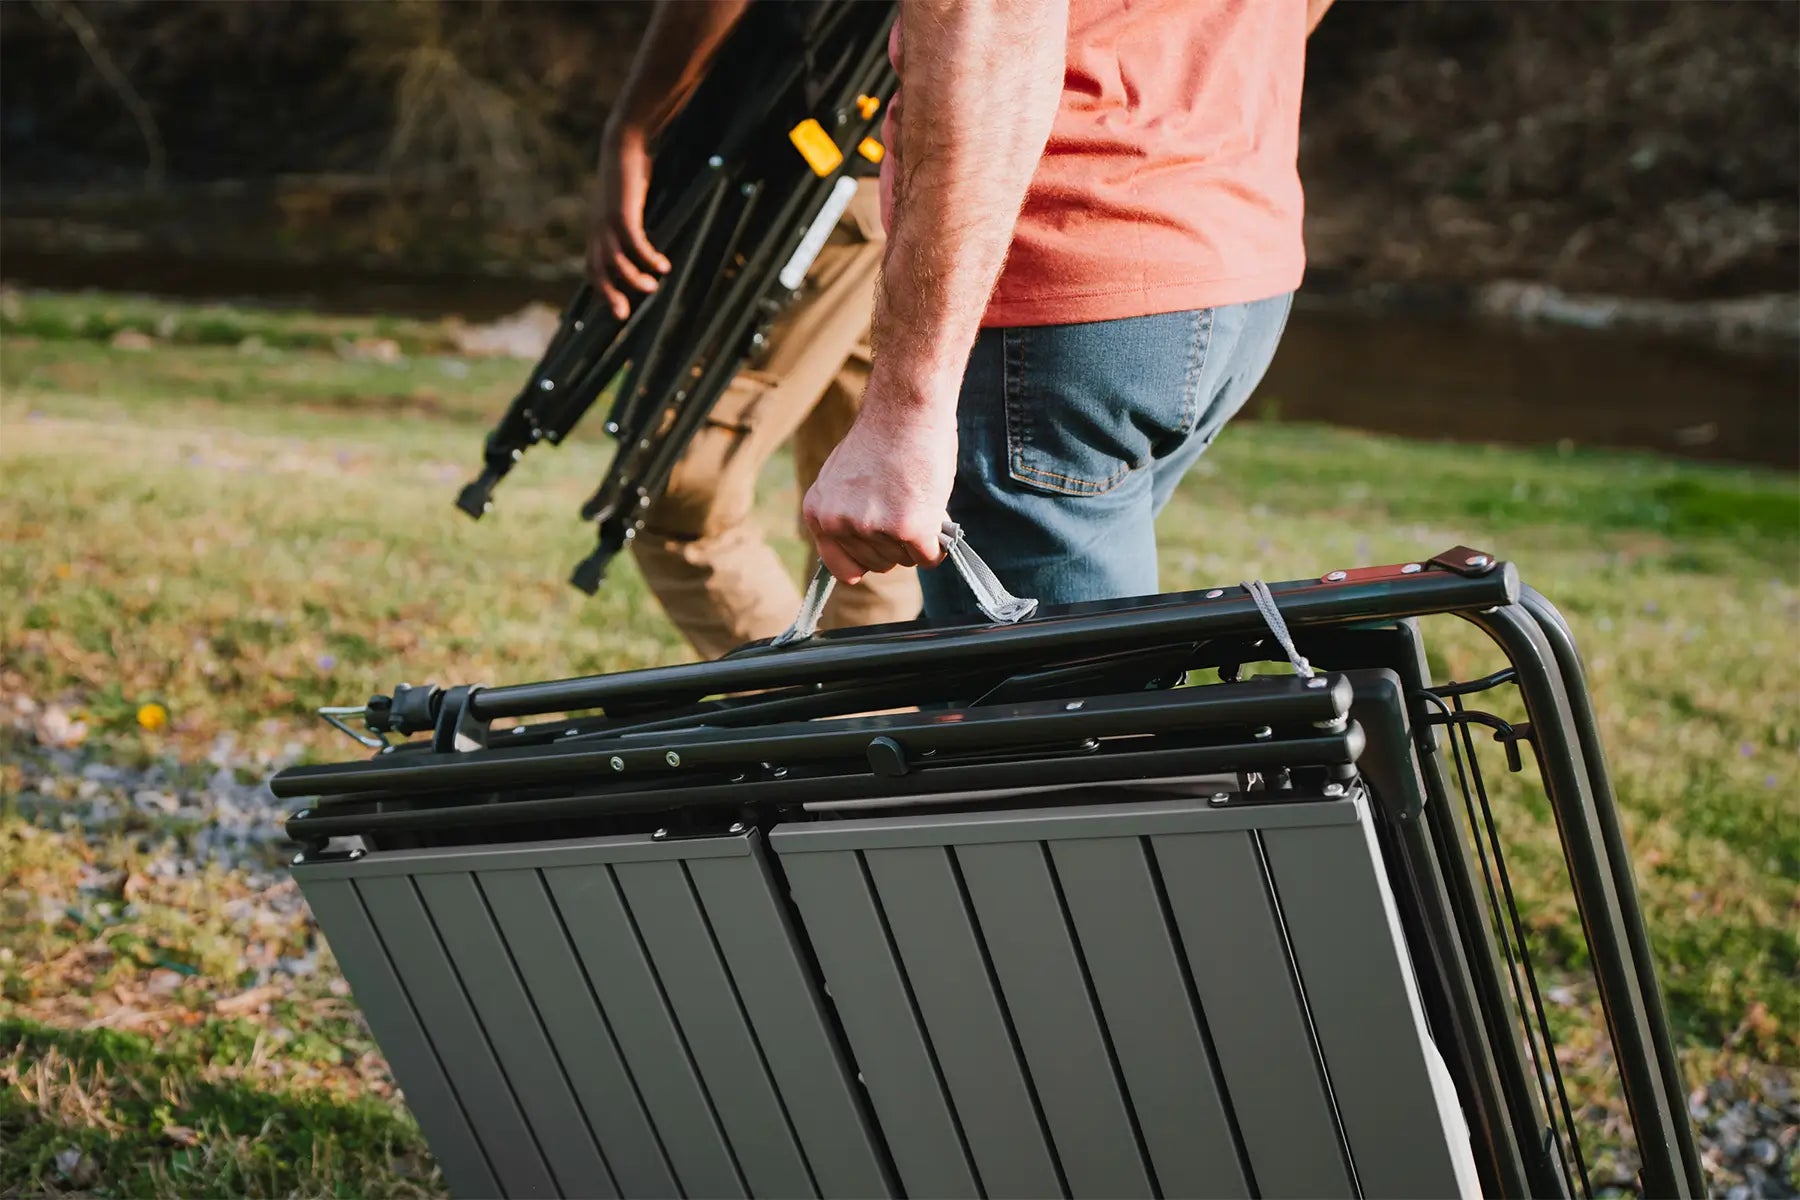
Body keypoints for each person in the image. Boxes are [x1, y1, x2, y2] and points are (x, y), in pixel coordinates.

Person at [802, 0, 1337, 617]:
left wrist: (906, 409)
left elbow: (988, 33)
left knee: (1061, 701)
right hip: (1229, 261)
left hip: (1062, 296)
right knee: (1043, 673)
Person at [588, 2, 918, 661]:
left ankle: (828, 728)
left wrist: (633, 128)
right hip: (898, 182)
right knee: (871, 525)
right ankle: (878, 732)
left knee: (678, 494)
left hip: (808, 191)